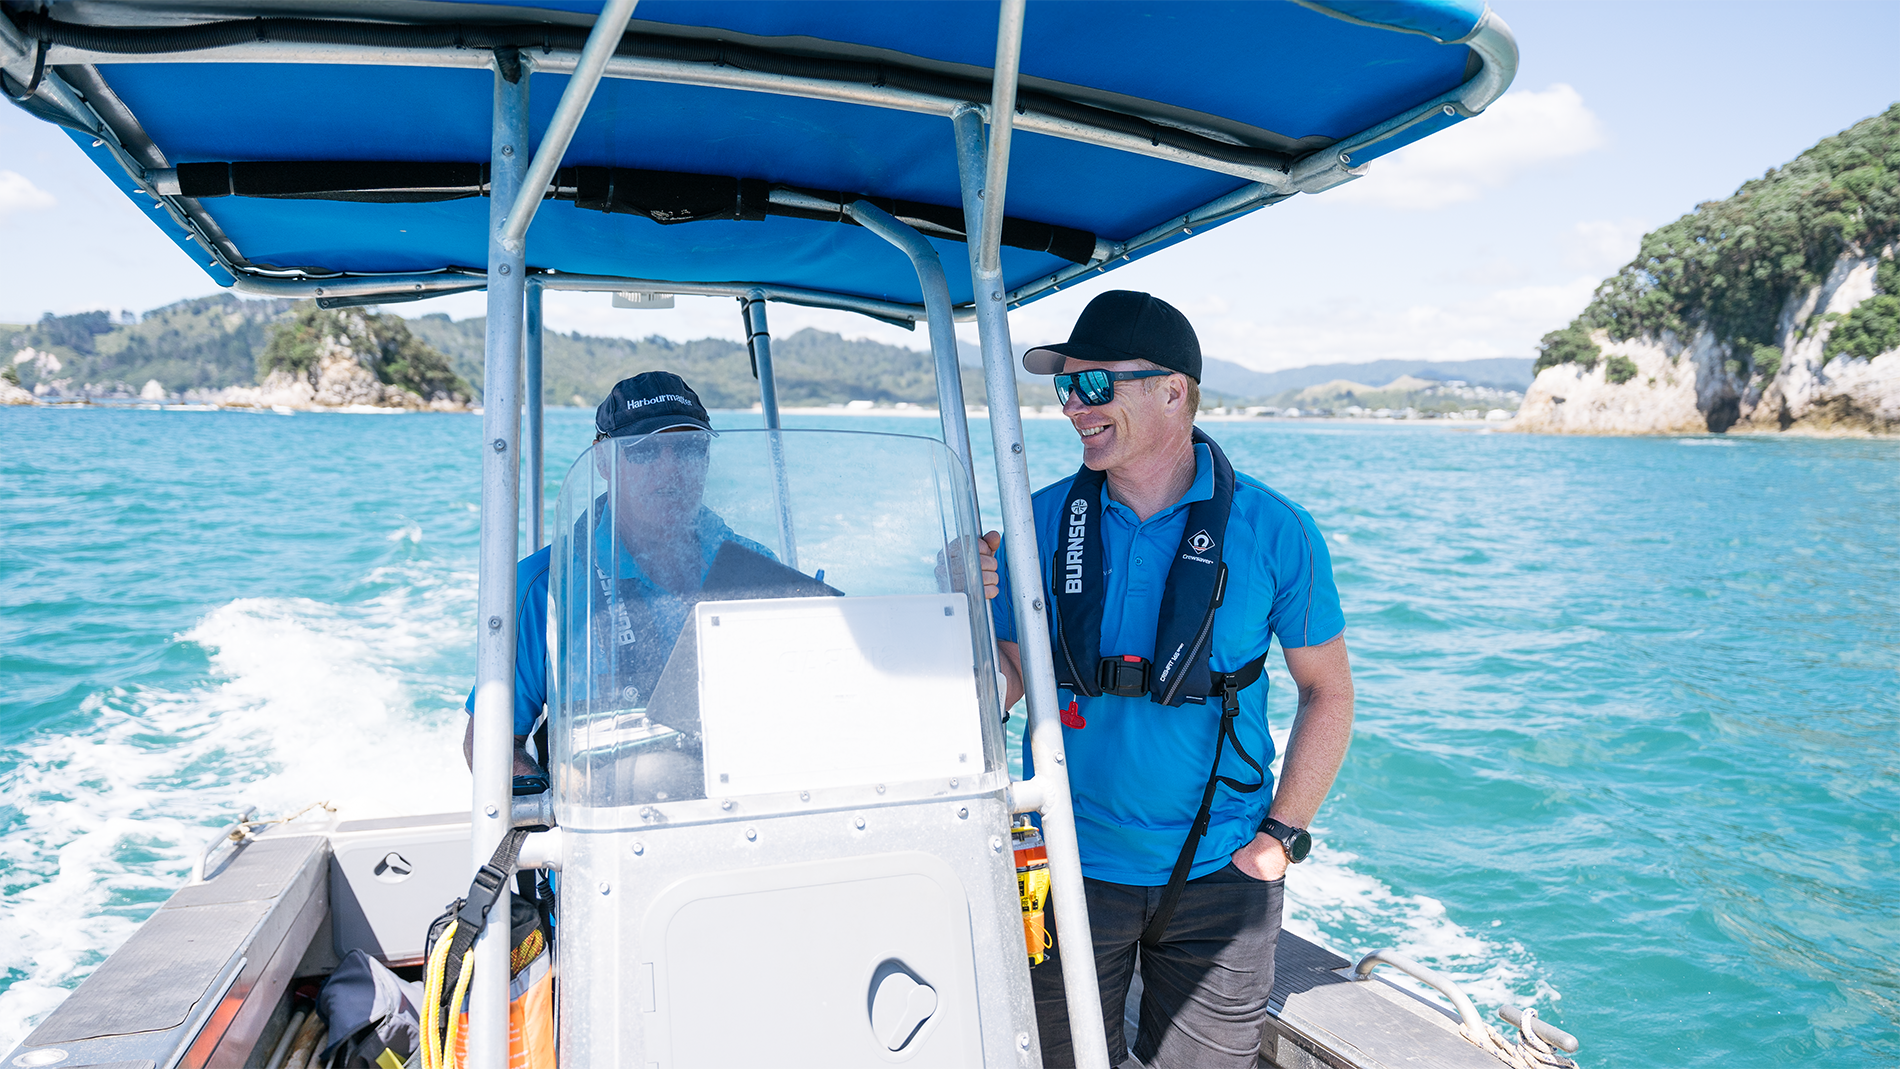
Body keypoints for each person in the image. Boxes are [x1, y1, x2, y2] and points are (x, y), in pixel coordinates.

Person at [980, 291, 1356, 1069]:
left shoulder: (1274, 529)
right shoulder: (1035, 522)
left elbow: (1330, 690)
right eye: (1064, 387)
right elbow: (1011, 681)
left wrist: (1279, 840)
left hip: (1222, 872)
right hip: (1066, 862)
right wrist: (964, 601)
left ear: (1172, 390)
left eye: (1093, 385)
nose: (1072, 406)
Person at [461, 370, 771, 780]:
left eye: (688, 448)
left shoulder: (758, 570)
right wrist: (541, 800)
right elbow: (489, 738)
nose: (670, 468)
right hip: (606, 824)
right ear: (604, 461)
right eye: (644, 451)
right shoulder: (545, 586)